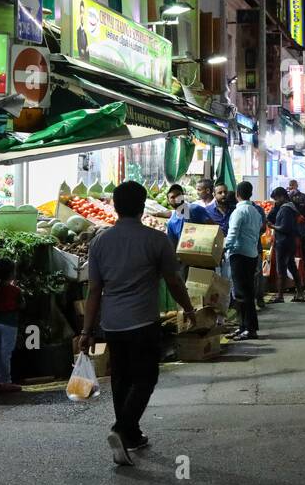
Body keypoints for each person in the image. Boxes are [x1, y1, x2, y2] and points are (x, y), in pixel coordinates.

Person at [80, 181, 197, 466]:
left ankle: (130, 435)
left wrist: (86, 331)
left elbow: (94, 291)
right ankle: (121, 430)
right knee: (146, 378)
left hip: (113, 325)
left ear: (116, 206)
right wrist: (189, 308)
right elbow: (174, 281)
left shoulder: (99, 242)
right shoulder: (155, 240)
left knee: (121, 379)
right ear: (142, 206)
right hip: (143, 322)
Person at [224, 181, 264, 341]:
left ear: (237, 195)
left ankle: (249, 328)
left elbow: (232, 234)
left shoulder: (239, 212)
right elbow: (258, 231)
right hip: (251, 254)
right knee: (246, 292)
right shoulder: (255, 212)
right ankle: (243, 327)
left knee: (243, 294)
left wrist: (223, 248)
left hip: (239, 255)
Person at [267, 187, 304, 302]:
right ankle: (300, 294)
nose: (275, 201)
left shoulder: (285, 209)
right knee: (292, 267)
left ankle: (280, 296)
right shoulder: (290, 207)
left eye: (276, 199)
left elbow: (284, 228)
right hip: (290, 242)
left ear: (282, 197)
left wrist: (272, 226)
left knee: (281, 270)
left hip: (283, 243)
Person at [0, 257, 22, 392]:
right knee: (6, 353)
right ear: (11, 274)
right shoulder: (15, 290)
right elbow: (22, 305)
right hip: (10, 324)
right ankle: (6, 381)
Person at [287, 179, 305, 289]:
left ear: (297, 185)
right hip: (291, 233)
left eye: (293, 184)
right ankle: (293, 283)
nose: (291, 186)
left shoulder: (303, 197)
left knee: (303, 257)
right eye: (290, 185)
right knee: (292, 258)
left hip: (301, 232)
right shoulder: (287, 197)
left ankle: (304, 282)